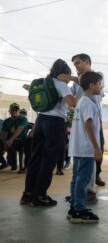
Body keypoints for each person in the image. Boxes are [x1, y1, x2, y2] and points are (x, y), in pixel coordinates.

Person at [20, 59, 76, 206]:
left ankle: (28, 194)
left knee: (35, 158)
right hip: (55, 123)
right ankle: (40, 196)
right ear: (65, 73)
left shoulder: (44, 82)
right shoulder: (61, 85)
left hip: (40, 121)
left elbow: (28, 88)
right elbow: (73, 103)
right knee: (49, 160)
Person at [68, 71, 103, 224]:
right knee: (83, 179)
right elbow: (88, 124)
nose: (101, 87)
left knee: (76, 178)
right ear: (91, 85)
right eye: (99, 84)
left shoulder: (81, 101)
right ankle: (79, 210)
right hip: (86, 148)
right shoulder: (88, 103)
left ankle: (74, 207)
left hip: (77, 147)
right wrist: (96, 147)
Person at [0, 103, 28, 171]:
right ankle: (4, 162)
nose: (14, 111)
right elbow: (3, 133)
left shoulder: (23, 119)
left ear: (19, 111)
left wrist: (10, 140)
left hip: (21, 140)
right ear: (9, 111)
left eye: (16, 110)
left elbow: (19, 130)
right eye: (12, 110)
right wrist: (4, 143)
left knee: (12, 143)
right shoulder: (6, 121)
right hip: (8, 140)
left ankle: (13, 163)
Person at [18, 108, 33, 174]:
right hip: (14, 140)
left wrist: (31, 132)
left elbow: (34, 127)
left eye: (23, 114)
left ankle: (26, 166)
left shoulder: (27, 123)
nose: (22, 115)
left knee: (29, 143)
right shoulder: (14, 121)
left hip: (24, 140)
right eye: (21, 113)